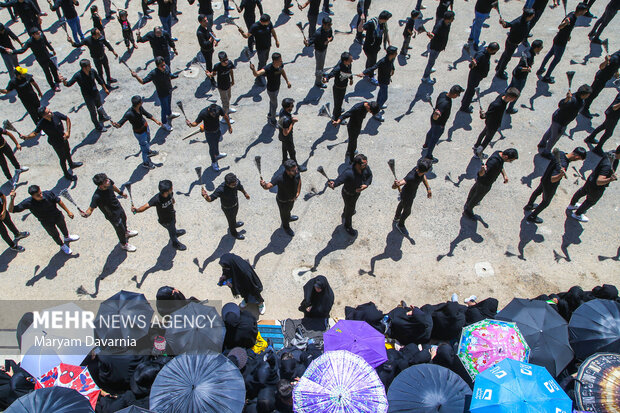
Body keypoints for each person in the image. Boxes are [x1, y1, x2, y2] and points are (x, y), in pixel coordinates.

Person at [9, 185, 79, 254]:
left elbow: (59, 201)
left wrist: (68, 211)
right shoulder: (28, 203)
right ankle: (62, 245)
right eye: (37, 195)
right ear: (33, 196)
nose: (41, 195)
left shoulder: (48, 194)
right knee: (55, 235)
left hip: (57, 216)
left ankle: (67, 237)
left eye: (40, 193)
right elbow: (11, 210)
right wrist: (12, 199)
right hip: (46, 222)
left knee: (63, 227)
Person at [524, 147, 587, 223]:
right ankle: (532, 216)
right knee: (545, 202)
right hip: (550, 185)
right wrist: (560, 175)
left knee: (537, 191)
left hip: (544, 178)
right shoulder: (563, 164)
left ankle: (529, 205)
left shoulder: (561, 153)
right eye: (578, 159)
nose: (576, 160)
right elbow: (553, 179)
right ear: (577, 156)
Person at [80, 173, 138, 252]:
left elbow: (113, 186)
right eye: (105, 181)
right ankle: (123, 244)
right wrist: (86, 214)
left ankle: (126, 233)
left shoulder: (109, 183)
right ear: (100, 185)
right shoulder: (97, 196)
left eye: (107, 179)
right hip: (112, 215)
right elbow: (90, 209)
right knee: (119, 229)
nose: (108, 180)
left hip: (118, 207)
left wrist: (121, 193)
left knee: (124, 219)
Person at [21, 106, 83, 181]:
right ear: (44, 116)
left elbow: (67, 119)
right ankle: (66, 174)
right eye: (48, 113)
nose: (51, 113)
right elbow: (35, 133)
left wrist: (68, 132)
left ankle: (71, 164)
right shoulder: (42, 123)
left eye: (50, 111)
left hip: (64, 138)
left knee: (68, 151)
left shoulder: (56, 114)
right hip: (55, 142)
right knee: (62, 158)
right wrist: (26, 137)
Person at [537, 3, 588, 83]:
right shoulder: (571, 18)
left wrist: (568, 35)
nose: (585, 12)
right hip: (560, 43)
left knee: (550, 54)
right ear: (581, 11)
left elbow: (566, 29)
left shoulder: (572, 14)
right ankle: (547, 76)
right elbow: (560, 26)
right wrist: (565, 23)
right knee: (556, 59)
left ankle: (541, 69)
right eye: (585, 11)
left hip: (558, 39)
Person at [567, 145, 619, 222]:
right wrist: (611, 179)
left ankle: (572, 205)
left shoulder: (611, 153)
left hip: (591, 179)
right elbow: (599, 181)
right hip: (596, 187)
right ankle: (577, 214)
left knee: (582, 191)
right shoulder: (607, 166)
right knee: (591, 201)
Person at [538, 85, 592, 158]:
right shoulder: (572, 99)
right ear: (583, 94)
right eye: (588, 95)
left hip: (559, 119)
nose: (588, 96)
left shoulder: (578, 99)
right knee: (554, 137)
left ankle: (542, 143)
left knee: (551, 131)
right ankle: (546, 152)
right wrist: (566, 100)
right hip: (560, 121)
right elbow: (561, 105)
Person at [131, 179, 186, 250]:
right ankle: (175, 243)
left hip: (172, 215)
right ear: (166, 192)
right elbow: (145, 206)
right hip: (165, 221)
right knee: (171, 232)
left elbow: (172, 199)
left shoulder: (170, 193)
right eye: (171, 188)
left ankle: (175, 232)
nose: (172, 188)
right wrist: (136, 210)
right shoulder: (156, 199)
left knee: (173, 225)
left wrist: (173, 201)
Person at [463, 148, 518, 218]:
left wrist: (504, 175)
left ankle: (468, 202)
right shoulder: (494, 162)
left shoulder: (499, 153)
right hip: (485, 183)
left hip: (483, 182)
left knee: (474, 190)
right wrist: (482, 171)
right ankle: (468, 211)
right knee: (477, 196)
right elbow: (481, 174)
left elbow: (501, 166)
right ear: (506, 157)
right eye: (510, 161)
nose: (510, 162)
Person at [112, 95, 162, 170]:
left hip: (145, 128)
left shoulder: (140, 108)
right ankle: (145, 163)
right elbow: (120, 123)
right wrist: (116, 125)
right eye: (141, 101)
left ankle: (149, 152)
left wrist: (156, 121)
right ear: (139, 103)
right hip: (140, 133)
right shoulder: (129, 114)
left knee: (147, 141)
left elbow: (147, 114)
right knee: (144, 148)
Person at [131, 56, 180, 132]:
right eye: (161, 66)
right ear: (157, 66)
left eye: (164, 64)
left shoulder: (166, 67)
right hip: (162, 93)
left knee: (169, 103)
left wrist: (173, 76)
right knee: (164, 108)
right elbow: (143, 81)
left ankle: (169, 114)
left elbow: (169, 74)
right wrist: (136, 76)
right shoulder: (153, 73)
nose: (164, 67)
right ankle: (164, 123)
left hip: (169, 90)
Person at [327, 154, 372, 236]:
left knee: (349, 207)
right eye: (363, 164)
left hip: (356, 194)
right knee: (350, 210)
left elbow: (370, 176)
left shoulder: (365, 168)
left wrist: (366, 184)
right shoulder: (348, 172)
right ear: (357, 164)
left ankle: (346, 212)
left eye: (366, 163)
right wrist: (332, 184)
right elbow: (338, 181)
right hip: (348, 195)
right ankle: (347, 226)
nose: (366, 165)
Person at [62, 59, 111, 131]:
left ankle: (102, 117)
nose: (91, 66)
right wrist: (64, 81)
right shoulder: (78, 75)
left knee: (99, 106)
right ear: (84, 68)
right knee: (93, 112)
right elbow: (68, 84)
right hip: (88, 97)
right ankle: (97, 126)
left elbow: (99, 80)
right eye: (89, 66)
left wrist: (105, 89)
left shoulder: (93, 71)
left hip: (95, 93)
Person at [473, 88, 520, 158]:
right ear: (510, 97)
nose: (514, 100)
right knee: (487, 139)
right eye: (514, 99)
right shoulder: (496, 105)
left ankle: (476, 146)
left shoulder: (503, 96)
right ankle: (478, 154)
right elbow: (485, 115)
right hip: (493, 124)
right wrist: (482, 115)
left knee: (484, 132)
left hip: (491, 122)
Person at [423, 85, 464, 163]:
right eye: (458, 95)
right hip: (439, 124)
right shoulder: (445, 104)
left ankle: (425, 145)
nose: (458, 96)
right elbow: (436, 117)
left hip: (434, 121)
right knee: (434, 139)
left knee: (431, 131)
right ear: (455, 94)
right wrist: (436, 114)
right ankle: (428, 156)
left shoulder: (443, 94)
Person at [260, 159, 301, 237]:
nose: (296, 171)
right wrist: (264, 185)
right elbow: (268, 186)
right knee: (284, 214)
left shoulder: (296, 172)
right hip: (283, 201)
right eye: (293, 170)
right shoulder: (280, 178)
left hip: (292, 199)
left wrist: (298, 192)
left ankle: (288, 217)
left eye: (296, 168)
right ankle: (286, 227)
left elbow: (299, 181)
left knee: (289, 210)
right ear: (287, 171)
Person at [202, 172, 249, 240]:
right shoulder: (221, 189)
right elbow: (210, 199)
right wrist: (205, 196)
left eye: (235, 183)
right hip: (227, 208)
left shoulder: (236, 182)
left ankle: (234, 224)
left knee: (234, 216)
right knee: (230, 220)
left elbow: (240, 187)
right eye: (233, 185)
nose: (235, 185)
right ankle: (233, 232)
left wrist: (245, 193)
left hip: (235, 204)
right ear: (227, 184)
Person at [392, 158, 432, 236]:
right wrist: (396, 185)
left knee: (401, 204)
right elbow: (397, 185)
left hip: (409, 194)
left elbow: (423, 176)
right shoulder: (411, 177)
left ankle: (397, 217)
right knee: (407, 212)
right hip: (407, 196)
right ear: (426, 170)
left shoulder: (418, 170)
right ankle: (400, 225)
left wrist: (428, 188)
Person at [186, 103, 232, 171]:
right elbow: (196, 123)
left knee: (216, 143)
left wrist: (229, 126)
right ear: (209, 110)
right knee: (212, 148)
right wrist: (191, 124)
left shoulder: (218, 109)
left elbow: (225, 116)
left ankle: (217, 154)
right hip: (209, 133)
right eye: (213, 114)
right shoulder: (203, 113)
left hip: (217, 130)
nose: (214, 116)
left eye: (216, 114)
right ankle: (214, 162)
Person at [250, 52, 291, 125]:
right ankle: (273, 120)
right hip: (271, 90)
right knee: (275, 105)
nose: (281, 62)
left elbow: (282, 71)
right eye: (280, 61)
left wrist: (287, 81)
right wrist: (253, 69)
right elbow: (256, 74)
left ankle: (270, 114)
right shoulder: (268, 68)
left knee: (272, 102)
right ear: (275, 61)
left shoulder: (280, 65)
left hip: (277, 88)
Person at [239, 14, 280, 86]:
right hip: (260, 48)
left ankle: (261, 72)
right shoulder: (255, 27)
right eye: (268, 22)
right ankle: (259, 76)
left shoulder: (269, 23)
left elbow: (273, 31)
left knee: (265, 59)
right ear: (263, 22)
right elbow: (247, 36)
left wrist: (276, 40)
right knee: (262, 62)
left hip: (268, 46)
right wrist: (242, 32)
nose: (269, 22)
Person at [495, 8, 535, 80]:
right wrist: (503, 22)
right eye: (532, 15)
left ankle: (499, 66)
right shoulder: (518, 22)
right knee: (507, 57)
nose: (533, 16)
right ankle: (500, 72)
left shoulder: (525, 21)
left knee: (506, 53)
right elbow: (508, 25)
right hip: (512, 42)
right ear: (528, 16)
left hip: (514, 42)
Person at [459, 42, 500, 113]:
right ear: (490, 49)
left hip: (478, 75)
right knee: (471, 91)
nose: (494, 53)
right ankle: (464, 107)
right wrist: (473, 64)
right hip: (475, 75)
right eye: (494, 51)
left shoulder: (487, 53)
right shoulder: (481, 55)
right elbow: (471, 66)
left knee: (470, 90)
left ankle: (465, 101)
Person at [505, 40, 544, 114]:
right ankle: (510, 108)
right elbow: (520, 68)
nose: (542, 48)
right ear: (537, 48)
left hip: (515, 74)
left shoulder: (529, 50)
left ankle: (503, 98)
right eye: (541, 47)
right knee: (516, 93)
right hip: (520, 77)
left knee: (510, 88)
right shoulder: (529, 56)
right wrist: (526, 69)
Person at [361, 45, 397, 121]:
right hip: (382, 81)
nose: (396, 54)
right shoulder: (383, 61)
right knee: (384, 97)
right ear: (391, 54)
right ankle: (376, 112)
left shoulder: (391, 59)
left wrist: (393, 69)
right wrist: (364, 73)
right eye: (395, 53)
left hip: (386, 80)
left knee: (381, 94)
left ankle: (378, 104)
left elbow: (392, 65)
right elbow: (373, 67)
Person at [581, 50, 620, 118]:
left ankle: (583, 101)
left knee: (593, 92)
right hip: (601, 78)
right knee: (593, 94)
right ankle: (584, 109)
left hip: (604, 78)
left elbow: (615, 65)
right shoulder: (615, 58)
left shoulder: (617, 55)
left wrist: (615, 71)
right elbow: (601, 67)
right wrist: (606, 62)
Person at [422, 10, 454, 84]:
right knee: (430, 62)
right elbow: (433, 34)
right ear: (447, 18)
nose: (453, 19)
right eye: (452, 18)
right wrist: (431, 35)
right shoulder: (439, 25)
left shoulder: (448, 24)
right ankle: (425, 77)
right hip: (435, 47)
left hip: (440, 46)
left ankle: (429, 70)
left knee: (433, 60)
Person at [362, 10, 392, 85]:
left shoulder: (383, 24)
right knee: (373, 62)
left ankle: (367, 72)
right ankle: (371, 76)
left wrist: (389, 42)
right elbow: (362, 28)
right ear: (384, 19)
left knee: (370, 60)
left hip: (375, 47)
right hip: (369, 47)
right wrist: (362, 21)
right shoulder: (372, 23)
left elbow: (386, 32)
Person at [277, 98, 306, 171]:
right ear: (287, 107)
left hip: (282, 136)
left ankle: (284, 160)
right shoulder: (286, 120)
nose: (293, 106)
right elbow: (286, 133)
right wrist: (292, 122)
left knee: (284, 148)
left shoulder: (282, 111)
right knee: (292, 152)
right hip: (287, 138)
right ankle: (296, 167)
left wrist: (291, 118)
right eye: (291, 105)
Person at [323, 52, 353, 120]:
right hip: (338, 88)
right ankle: (336, 117)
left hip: (344, 86)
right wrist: (325, 79)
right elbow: (331, 74)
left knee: (340, 101)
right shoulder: (338, 68)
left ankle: (338, 110)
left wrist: (351, 79)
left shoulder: (349, 64)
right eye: (350, 60)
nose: (352, 61)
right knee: (338, 103)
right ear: (345, 61)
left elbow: (349, 72)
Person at [208, 51, 236, 122]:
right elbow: (213, 74)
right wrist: (209, 74)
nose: (226, 62)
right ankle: (225, 117)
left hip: (228, 84)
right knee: (225, 102)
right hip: (221, 87)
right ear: (220, 60)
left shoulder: (229, 63)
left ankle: (227, 109)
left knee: (229, 97)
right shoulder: (217, 66)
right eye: (224, 61)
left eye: (226, 59)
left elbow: (231, 71)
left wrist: (232, 80)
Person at [309, 17, 333, 88]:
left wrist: (329, 40)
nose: (330, 26)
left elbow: (331, 37)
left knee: (321, 64)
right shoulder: (318, 33)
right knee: (319, 67)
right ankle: (318, 82)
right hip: (319, 51)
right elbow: (310, 41)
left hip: (324, 49)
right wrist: (307, 43)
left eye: (330, 24)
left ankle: (321, 72)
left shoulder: (329, 29)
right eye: (328, 25)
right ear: (323, 24)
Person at [196, 14, 218, 86]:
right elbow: (204, 44)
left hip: (210, 48)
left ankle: (209, 73)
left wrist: (214, 40)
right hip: (206, 51)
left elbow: (211, 32)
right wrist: (211, 40)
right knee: (209, 64)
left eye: (206, 20)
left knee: (210, 62)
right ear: (200, 22)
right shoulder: (199, 32)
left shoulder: (207, 26)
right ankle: (211, 79)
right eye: (204, 21)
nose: (207, 21)